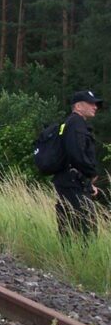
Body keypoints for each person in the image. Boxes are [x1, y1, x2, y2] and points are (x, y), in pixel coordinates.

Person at [53, 90, 103, 238]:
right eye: (91, 103)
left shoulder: (72, 123)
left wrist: (88, 184)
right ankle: (81, 258)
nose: (95, 107)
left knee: (69, 225)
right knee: (87, 227)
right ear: (79, 106)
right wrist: (91, 173)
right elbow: (77, 154)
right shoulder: (76, 124)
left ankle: (67, 258)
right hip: (72, 182)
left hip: (70, 181)